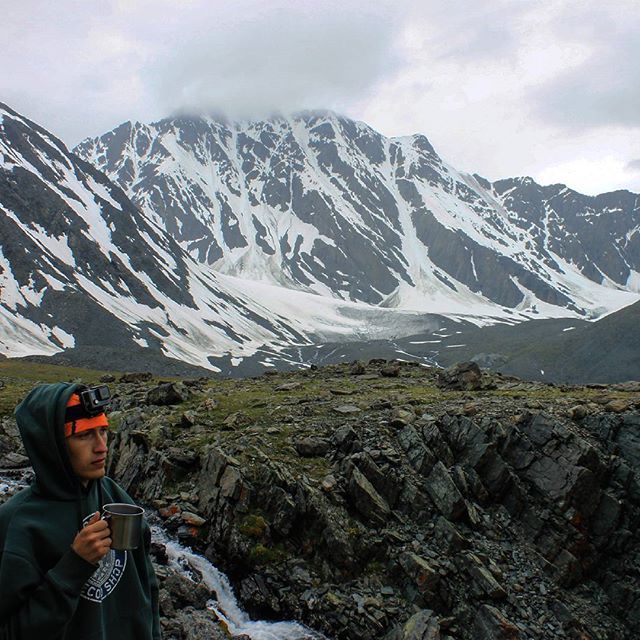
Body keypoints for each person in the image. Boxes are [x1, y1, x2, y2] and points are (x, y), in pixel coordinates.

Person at [0, 382, 160, 639]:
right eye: (83, 435)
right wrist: (73, 567)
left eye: (103, 431)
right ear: (50, 445)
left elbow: (147, 588)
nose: (101, 447)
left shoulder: (115, 497)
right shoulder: (17, 525)